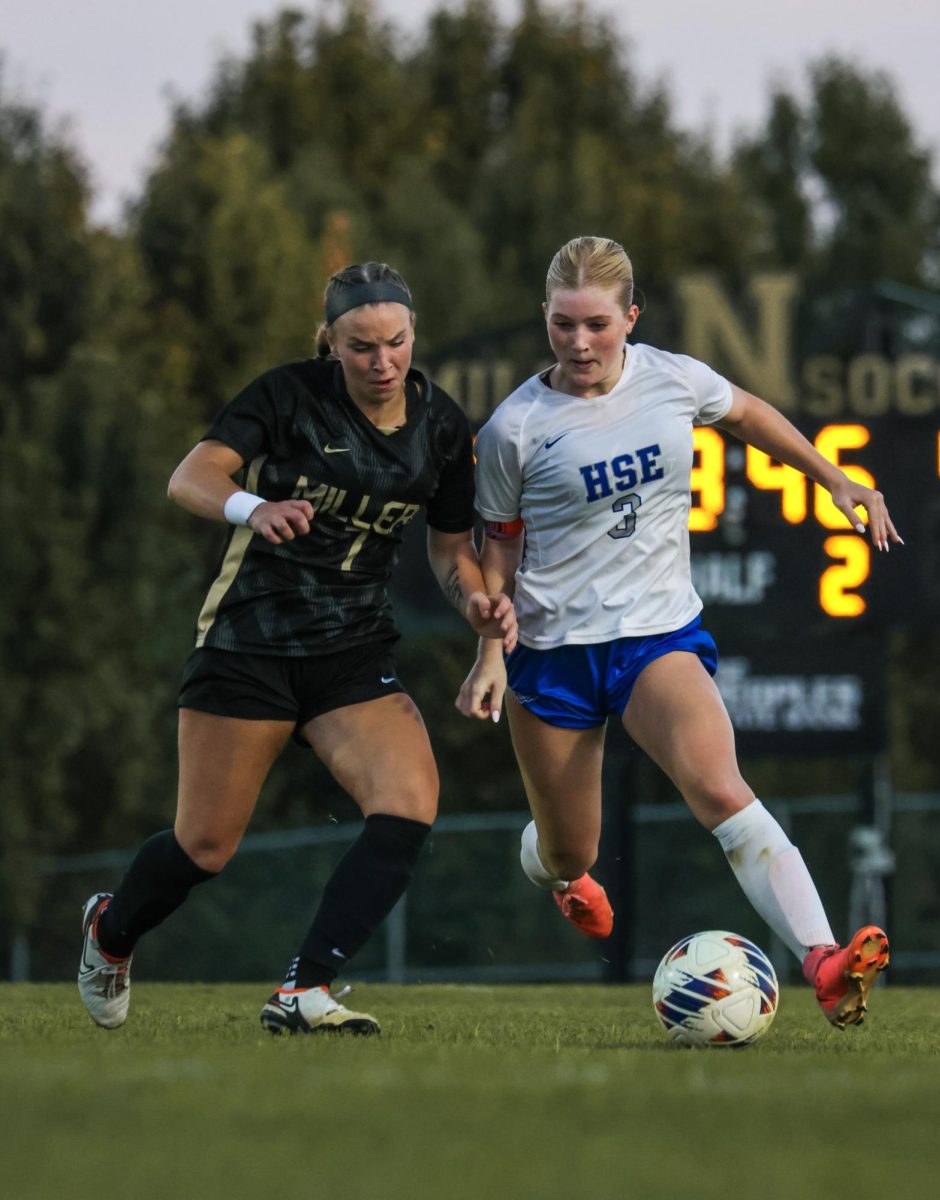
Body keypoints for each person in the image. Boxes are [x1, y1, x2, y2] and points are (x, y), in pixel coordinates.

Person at [457, 236, 898, 1029]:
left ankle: (824, 960)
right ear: (546, 321)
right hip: (554, 656)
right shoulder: (513, 429)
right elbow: (500, 549)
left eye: (596, 323)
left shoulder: (673, 378)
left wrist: (834, 478)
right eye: (562, 325)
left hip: (656, 635)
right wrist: (491, 650)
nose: (580, 342)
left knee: (723, 792)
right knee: (570, 852)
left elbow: (751, 414)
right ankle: (555, 870)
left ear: (630, 317)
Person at [78, 261, 517, 1035]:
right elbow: (191, 476)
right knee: (205, 847)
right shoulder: (288, 396)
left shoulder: (443, 426)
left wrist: (476, 600)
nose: (381, 362)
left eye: (396, 342)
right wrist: (253, 506)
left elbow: (451, 549)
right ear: (331, 342)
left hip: (351, 652)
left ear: (414, 334)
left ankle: (304, 989)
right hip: (252, 641)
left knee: (409, 805)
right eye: (360, 346)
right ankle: (110, 933)